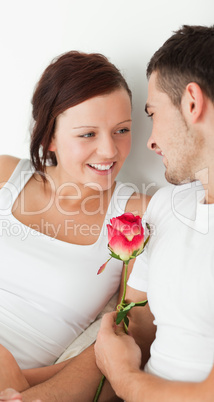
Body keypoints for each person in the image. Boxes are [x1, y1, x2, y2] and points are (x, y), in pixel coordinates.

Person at [0, 50, 149, 401]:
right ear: (49, 137)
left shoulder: (136, 215)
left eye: (122, 130)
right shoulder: (3, 174)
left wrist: (17, 380)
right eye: (88, 134)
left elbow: (129, 345)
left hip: (14, 388)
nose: (109, 150)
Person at [94, 24, 214, 401]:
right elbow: (140, 330)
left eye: (152, 113)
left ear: (192, 103)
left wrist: (123, 377)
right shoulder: (165, 205)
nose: (149, 141)